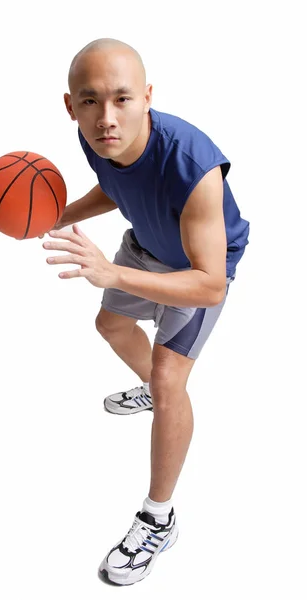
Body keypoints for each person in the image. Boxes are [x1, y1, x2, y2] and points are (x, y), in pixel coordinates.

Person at [40, 38, 250, 586]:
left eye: (122, 99)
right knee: (109, 324)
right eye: (90, 102)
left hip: (199, 268)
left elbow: (209, 287)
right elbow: (115, 184)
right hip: (148, 245)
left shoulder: (194, 167)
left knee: (168, 374)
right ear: (71, 106)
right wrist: (58, 214)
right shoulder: (96, 139)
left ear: (148, 98)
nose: (107, 118)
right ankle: (160, 398)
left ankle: (159, 517)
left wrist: (111, 273)